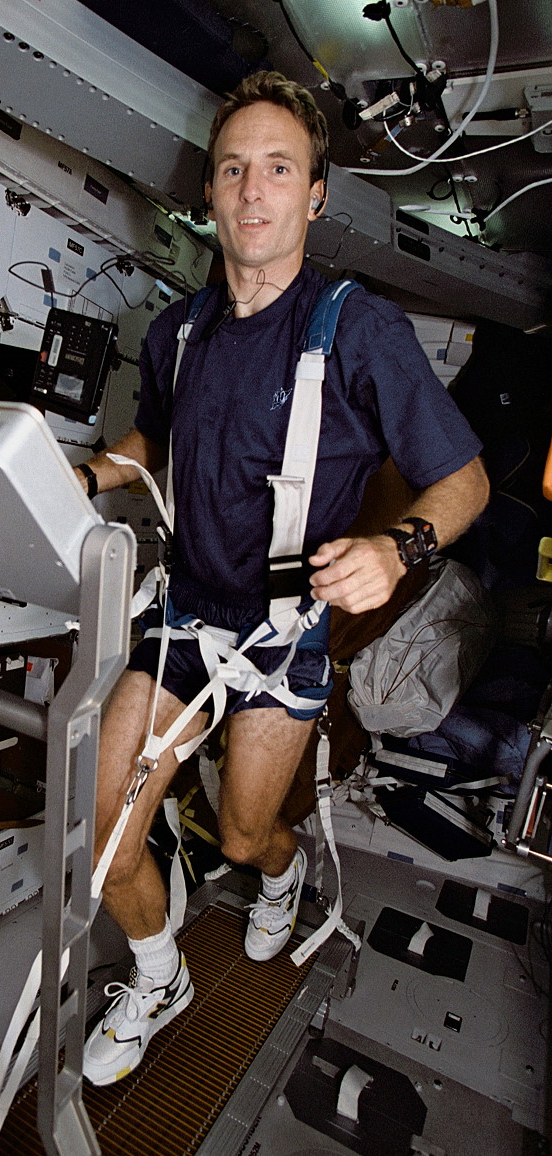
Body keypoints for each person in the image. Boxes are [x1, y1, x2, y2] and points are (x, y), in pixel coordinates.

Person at [74, 71, 489, 1087]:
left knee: (248, 827)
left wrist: (398, 550)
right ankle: (158, 971)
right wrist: (86, 472)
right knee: (103, 844)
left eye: (278, 170)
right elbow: (152, 439)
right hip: (184, 622)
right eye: (232, 169)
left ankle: (283, 872)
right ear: (208, 193)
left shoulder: (360, 329)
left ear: (312, 196)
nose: (252, 190)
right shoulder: (176, 331)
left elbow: (463, 479)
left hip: (281, 637)